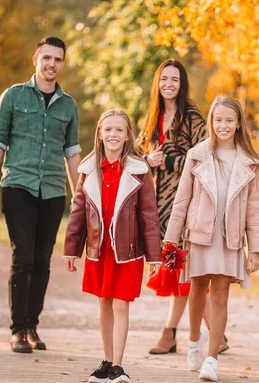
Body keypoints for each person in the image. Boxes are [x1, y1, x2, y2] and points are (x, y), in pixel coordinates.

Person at [0, 37, 81, 353]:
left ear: (63, 64)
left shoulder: (69, 105)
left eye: (58, 59)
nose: (52, 64)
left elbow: (72, 152)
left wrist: (79, 197)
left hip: (52, 191)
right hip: (18, 186)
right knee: (22, 256)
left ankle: (32, 326)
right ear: (35, 58)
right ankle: (17, 329)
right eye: (47, 57)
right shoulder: (13, 96)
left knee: (42, 261)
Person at [164, 96, 259, 381]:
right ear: (211, 122)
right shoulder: (197, 155)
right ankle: (194, 341)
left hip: (230, 238)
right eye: (218, 120)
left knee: (220, 295)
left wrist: (255, 249)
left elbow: (255, 209)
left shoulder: (250, 163)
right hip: (199, 236)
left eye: (229, 120)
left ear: (238, 124)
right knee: (197, 291)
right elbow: (181, 200)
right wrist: (171, 239)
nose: (223, 125)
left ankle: (211, 358)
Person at [64, 108, 161, 383]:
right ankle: (105, 363)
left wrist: (154, 256)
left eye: (119, 129)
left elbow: (149, 215)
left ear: (128, 135)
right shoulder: (88, 169)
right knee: (104, 303)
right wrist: (72, 248)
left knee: (121, 304)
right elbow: (77, 211)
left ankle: (118, 366)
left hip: (127, 252)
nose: (113, 134)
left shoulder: (139, 170)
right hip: (99, 248)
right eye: (108, 129)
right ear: (100, 133)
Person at [139, 59, 228, 355]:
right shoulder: (153, 116)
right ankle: (217, 333)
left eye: (174, 79)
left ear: (182, 83)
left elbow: (206, 157)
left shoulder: (192, 117)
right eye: (164, 78)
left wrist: (167, 161)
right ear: (157, 82)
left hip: (189, 203)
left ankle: (170, 332)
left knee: (181, 269)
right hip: (160, 206)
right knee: (177, 268)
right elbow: (139, 153)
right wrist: (148, 159)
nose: (169, 84)